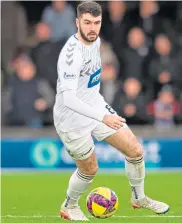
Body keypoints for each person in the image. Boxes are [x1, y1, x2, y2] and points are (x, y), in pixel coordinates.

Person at [53, 1, 169, 221]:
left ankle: (139, 198)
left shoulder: (96, 42)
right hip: (71, 118)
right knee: (89, 170)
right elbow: (68, 98)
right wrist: (103, 116)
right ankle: (70, 205)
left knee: (135, 150)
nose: (92, 28)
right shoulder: (71, 54)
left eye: (96, 23)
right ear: (77, 22)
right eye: (86, 23)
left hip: (94, 104)